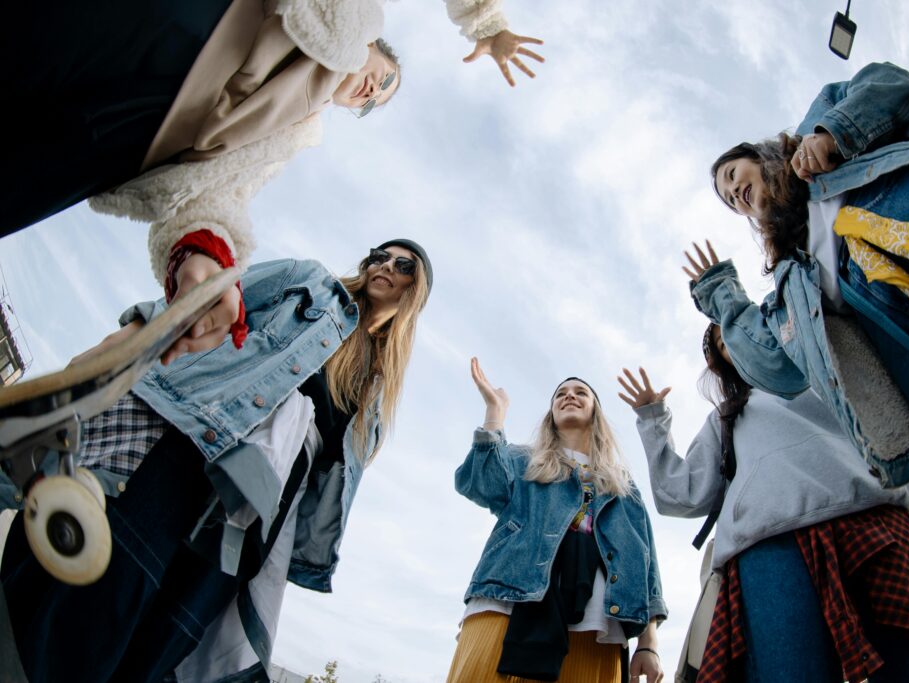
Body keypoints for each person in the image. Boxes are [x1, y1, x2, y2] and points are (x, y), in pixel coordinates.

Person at [1, 0, 542, 361]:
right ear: (377, 45)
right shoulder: (344, 14)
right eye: (385, 77)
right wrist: (484, 23)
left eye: (376, 102)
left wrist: (207, 266)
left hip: (115, 144)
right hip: (160, 27)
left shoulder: (289, 133)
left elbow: (216, 196)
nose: (373, 90)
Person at [0, 240, 432, 683]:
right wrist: (124, 342)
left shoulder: (377, 391)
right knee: (112, 577)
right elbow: (212, 301)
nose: (386, 266)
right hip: (206, 439)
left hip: (263, 504)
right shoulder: (312, 283)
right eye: (379, 255)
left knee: (170, 633)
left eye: (403, 265)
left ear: (415, 290)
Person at [683, 61, 909, 567]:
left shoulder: (819, 120)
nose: (736, 192)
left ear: (755, 155)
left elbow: (892, 85)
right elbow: (779, 366)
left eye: (733, 176)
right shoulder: (790, 277)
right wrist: (725, 298)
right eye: (730, 199)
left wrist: (833, 134)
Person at [617, 325, 909, 683]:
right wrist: (653, 422)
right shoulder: (726, 417)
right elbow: (679, 496)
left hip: (870, 521)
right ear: (723, 361)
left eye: (736, 326)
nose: (731, 339)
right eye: (721, 343)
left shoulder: (825, 373)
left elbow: (895, 437)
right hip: (769, 548)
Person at [447, 360, 666, 683]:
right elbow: (480, 484)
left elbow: (646, 566)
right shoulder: (522, 460)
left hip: (599, 626)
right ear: (551, 415)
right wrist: (495, 414)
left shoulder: (623, 487)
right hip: (507, 605)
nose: (569, 396)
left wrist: (648, 643)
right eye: (560, 393)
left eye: (581, 392)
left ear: (596, 413)